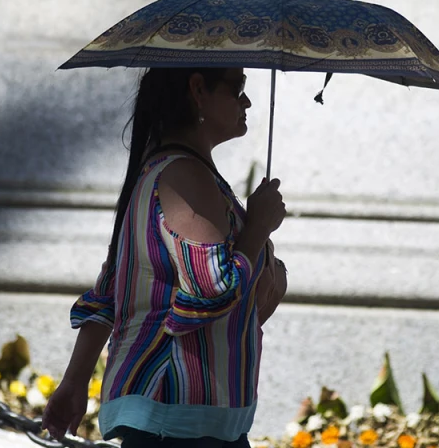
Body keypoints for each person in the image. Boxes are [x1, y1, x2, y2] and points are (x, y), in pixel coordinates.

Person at [42, 66, 288, 446]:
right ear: (198, 89)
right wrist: (257, 229)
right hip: (182, 421)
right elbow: (212, 291)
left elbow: (109, 293)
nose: (247, 101)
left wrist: (75, 382)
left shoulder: (162, 170)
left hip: (185, 421)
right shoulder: (185, 177)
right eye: (236, 88)